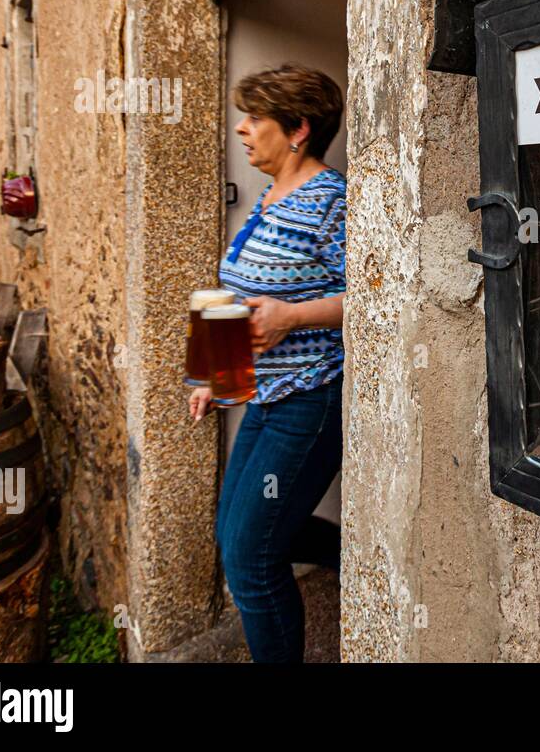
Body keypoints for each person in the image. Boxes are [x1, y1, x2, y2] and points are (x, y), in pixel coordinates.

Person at [189, 64, 346, 663]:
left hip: (309, 399)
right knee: (233, 533)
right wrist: (214, 370)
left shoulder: (332, 201)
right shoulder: (271, 196)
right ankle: (353, 553)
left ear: (298, 129)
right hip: (264, 394)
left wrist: (293, 318)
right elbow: (249, 294)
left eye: (256, 118)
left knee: (250, 562)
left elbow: (377, 298)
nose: (242, 128)